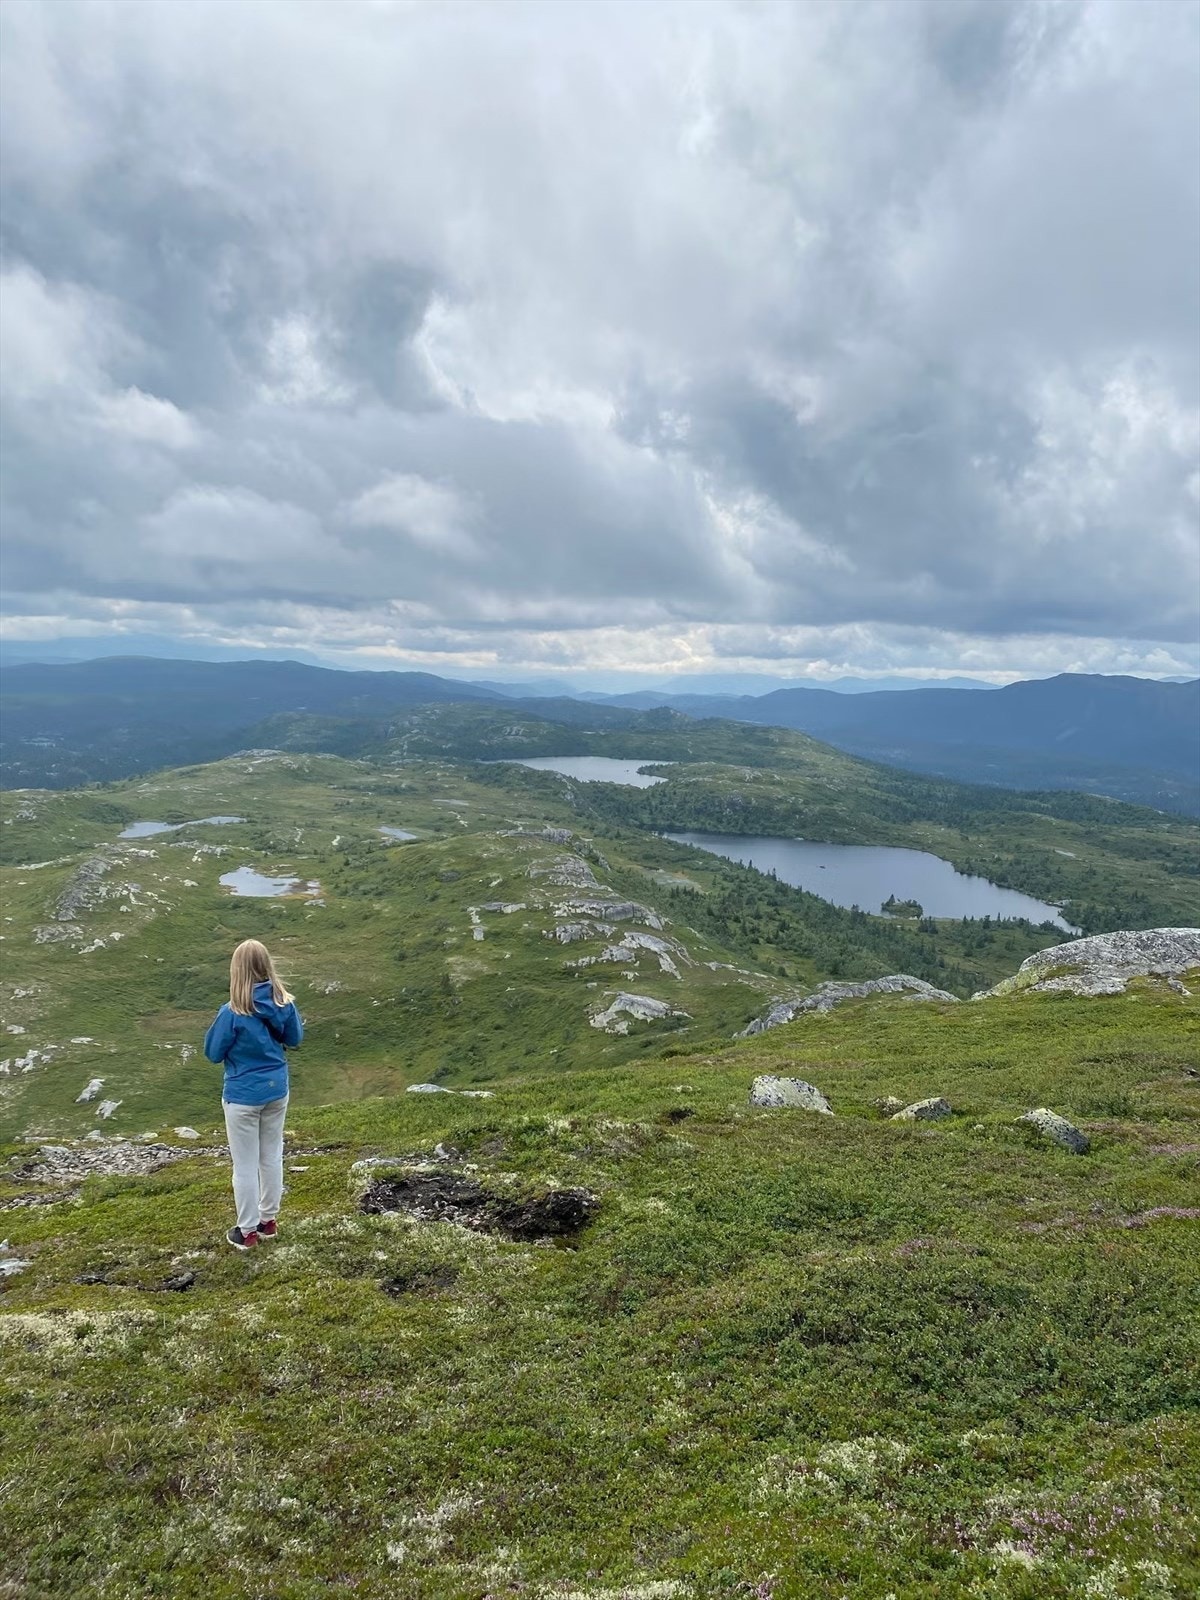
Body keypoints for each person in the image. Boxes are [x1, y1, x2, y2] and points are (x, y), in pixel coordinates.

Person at [204, 938, 303, 1251]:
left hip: (243, 1095)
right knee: (271, 1155)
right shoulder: (284, 1003)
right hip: (278, 1089)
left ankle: (246, 1232)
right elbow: (295, 1038)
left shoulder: (232, 1012)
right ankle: (268, 1221)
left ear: (238, 971)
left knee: (244, 1166)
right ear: (267, 966)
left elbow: (213, 1053)